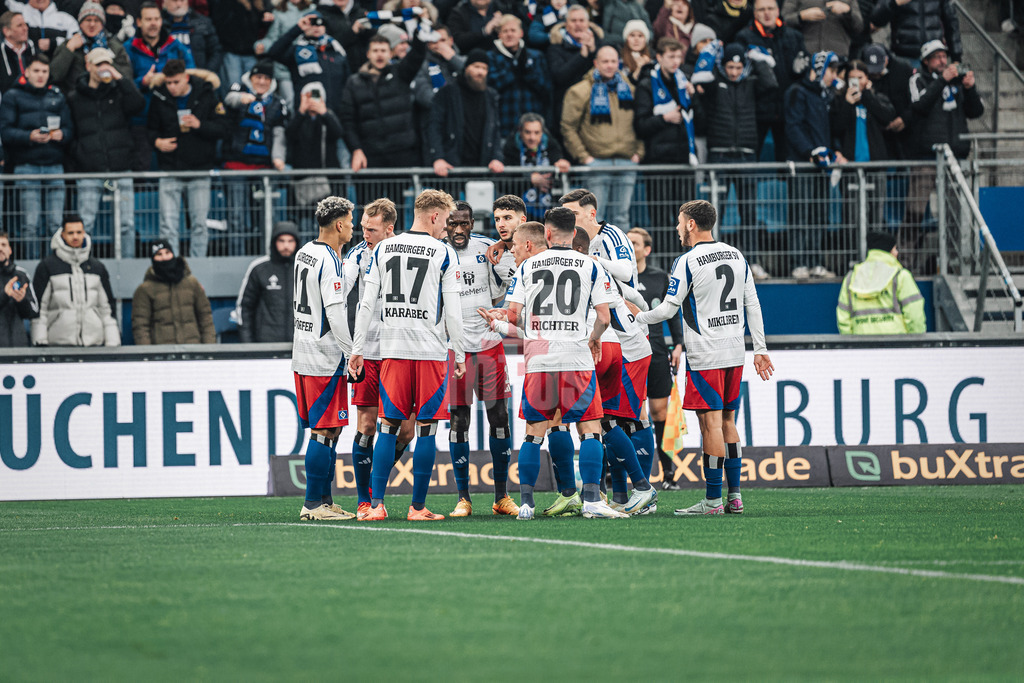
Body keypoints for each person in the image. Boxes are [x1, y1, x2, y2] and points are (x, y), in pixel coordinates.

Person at [482, 208, 629, 520]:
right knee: (589, 429)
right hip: (576, 356)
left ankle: (526, 504)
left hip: (539, 360)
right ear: (574, 233)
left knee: (534, 432)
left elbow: (512, 316)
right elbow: (604, 317)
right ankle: (591, 499)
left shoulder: (527, 266)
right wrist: (594, 338)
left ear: (546, 234)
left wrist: (498, 321)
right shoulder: (590, 265)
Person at [636, 199, 773, 516]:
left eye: (679, 221)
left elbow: (669, 309)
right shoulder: (736, 255)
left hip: (705, 354)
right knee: (728, 420)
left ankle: (712, 501)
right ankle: (735, 496)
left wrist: (637, 319)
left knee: (710, 424)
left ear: (691, 224)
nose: (677, 227)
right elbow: (752, 304)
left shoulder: (686, 260)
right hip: (735, 350)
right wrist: (761, 349)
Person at [348, 189, 465, 522]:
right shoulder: (443, 252)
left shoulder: (382, 248)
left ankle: (376, 505)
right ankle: (417, 508)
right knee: (426, 427)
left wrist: (358, 349)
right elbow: (453, 310)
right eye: (445, 220)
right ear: (433, 216)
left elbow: (366, 304)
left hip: (391, 349)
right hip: (429, 349)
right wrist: (458, 351)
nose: (447, 227)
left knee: (387, 425)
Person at [440, 201, 519, 517]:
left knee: (499, 417)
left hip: (489, 345)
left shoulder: (488, 249)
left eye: (464, 223)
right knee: (459, 419)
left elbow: (506, 286)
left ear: (472, 223)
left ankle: (502, 496)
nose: (459, 230)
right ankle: (463, 498)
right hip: (455, 348)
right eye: (453, 224)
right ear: (445, 224)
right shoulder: (436, 253)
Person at [342, 198, 416, 519]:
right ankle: (366, 499)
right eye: (362, 228)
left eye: (371, 229)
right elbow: (340, 297)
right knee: (368, 425)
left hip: (401, 350)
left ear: (389, 228)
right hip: (370, 353)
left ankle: (376, 485)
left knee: (407, 430)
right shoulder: (356, 256)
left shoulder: (408, 251)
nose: (365, 234)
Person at [290, 197, 358, 521]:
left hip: (303, 351)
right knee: (323, 430)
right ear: (340, 225)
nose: (353, 226)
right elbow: (334, 313)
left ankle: (325, 501)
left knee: (331, 431)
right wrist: (352, 352)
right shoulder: (330, 260)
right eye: (351, 220)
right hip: (324, 357)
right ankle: (312, 505)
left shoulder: (305, 251)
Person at [694, 41, 777, 277]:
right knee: (710, 213)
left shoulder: (752, 83)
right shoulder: (714, 83)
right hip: (718, 155)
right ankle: (708, 263)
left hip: (746, 155)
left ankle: (751, 262)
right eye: (729, 67)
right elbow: (699, 79)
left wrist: (757, 58)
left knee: (749, 212)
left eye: (739, 68)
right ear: (723, 65)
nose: (734, 72)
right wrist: (709, 54)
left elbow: (771, 83)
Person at [904, 39, 982, 271]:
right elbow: (919, 105)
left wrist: (970, 88)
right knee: (914, 211)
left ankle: (955, 261)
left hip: (955, 158)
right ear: (926, 61)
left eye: (943, 56)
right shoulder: (918, 79)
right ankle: (905, 261)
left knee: (956, 213)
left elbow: (975, 111)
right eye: (936, 57)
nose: (942, 60)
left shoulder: (957, 83)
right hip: (926, 157)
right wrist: (941, 81)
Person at [66, 46, 144, 258]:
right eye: (99, 64)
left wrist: (120, 78)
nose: (104, 68)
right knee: (86, 223)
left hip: (120, 167)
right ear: (88, 66)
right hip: (90, 170)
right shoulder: (75, 97)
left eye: (107, 63)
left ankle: (126, 265)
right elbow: (70, 132)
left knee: (126, 224)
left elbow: (138, 105)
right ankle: (82, 265)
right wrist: (79, 155)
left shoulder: (119, 91)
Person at [147, 58, 227, 257]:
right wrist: (157, 142)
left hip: (199, 170)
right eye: (168, 82)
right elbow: (149, 130)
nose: (172, 87)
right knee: (168, 225)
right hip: (170, 169)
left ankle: (197, 267)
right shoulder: (159, 96)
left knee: (199, 224)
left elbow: (224, 128)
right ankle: (169, 264)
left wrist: (200, 125)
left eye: (176, 82)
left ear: (186, 78)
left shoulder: (207, 94)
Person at [561, 44, 642, 231]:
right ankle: (597, 258)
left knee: (623, 215)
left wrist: (639, 152)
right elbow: (568, 127)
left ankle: (621, 259)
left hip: (626, 161)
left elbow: (639, 122)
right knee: (596, 216)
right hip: (596, 163)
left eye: (614, 61)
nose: (609, 65)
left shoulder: (629, 89)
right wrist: (584, 157)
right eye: (605, 61)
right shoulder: (580, 90)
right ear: (596, 63)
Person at [0, 53, 71, 261]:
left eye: (45, 71)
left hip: (55, 165)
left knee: (55, 225)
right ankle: (32, 266)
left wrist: (62, 134)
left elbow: (70, 129)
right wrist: (29, 136)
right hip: (26, 166)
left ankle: (55, 267)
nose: (41, 75)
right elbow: (5, 132)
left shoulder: (57, 95)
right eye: (37, 71)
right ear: (27, 72)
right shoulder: (13, 96)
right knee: (30, 224)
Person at [627, 226, 683, 487]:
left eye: (635, 243)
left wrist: (679, 344)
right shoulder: (617, 277)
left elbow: (673, 313)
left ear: (647, 249)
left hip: (658, 353)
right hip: (628, 354)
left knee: (659, 413)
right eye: (628, 243)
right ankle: (633, 474)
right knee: (632, 413)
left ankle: (668, 473)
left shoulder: (660, 277)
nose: (631, 247)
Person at [785, 49, 842, 279]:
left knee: (820, 214)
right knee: (800, 213)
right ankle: (799, 264)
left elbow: (832, 128)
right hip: (802, 165)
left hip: (822, 166)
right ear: (818, 69)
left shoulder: (826, 95)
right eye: (831, 69)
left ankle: (816, 262)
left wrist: (831, 151)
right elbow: (793, 125)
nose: (834, 75)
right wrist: (810, 151)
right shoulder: (797, 92)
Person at [223, 60, 289, 255]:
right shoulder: (239, 90)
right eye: (258, 77)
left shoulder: (277, 103)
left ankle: (269, 256)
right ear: (250, 78)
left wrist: (278, 158)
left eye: (266, 78)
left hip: (264, 168)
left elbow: (279, 133)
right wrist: (241, 98)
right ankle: (237, 255)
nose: (262, 81)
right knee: (236, 217)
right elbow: (229, 99)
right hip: (236, 166)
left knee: (268, 216)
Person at [633, 36, 697, 229]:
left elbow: (700, 121)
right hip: (658, 162)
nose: (676, 61)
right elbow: (640, 125)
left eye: (678, 56)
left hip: (683, 160)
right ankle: (663, 259)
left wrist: (693, 97)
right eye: (671, 56)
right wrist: (664, 119)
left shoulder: (684, 82)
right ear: (659, 57)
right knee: (660, 217)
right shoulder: (646, 85)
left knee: (686, 219)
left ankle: (685, 258)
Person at [734, 0, 807, 162]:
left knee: (787, 161)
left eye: (770, 8)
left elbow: (804, 71)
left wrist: (799, 70)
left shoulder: (794, 36)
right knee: (753, 159)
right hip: (757, 110)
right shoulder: (744, 37)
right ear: (754, 13)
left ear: (778, 10)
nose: (767, 13)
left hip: (788, 109)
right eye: (762, 9)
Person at [31, 214, 120, 347]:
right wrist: (40, 342)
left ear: (84, 233)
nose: (75, 237)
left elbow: (106, 309)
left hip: (94, 345)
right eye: (70, 233)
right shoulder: (47, 266)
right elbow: (40, 309)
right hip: (58, 345)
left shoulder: (97, 267)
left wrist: (113, 342)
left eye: (79, 232)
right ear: (62, 235)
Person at [125, 1, 194, 171]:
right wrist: (143, 82)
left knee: (176, 170)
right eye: (148, 19)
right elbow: (122, 85)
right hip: (141, 119)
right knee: (143, 171)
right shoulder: (128, 49)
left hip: (172, 119)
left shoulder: (177, 47)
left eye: (157, 18)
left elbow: (191, 75)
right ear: (139, 22)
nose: (153, 23)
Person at [426, 48, 504, 176]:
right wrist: (438, 157)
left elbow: (494, 130)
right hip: (451, 166)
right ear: (466, 67)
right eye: (476, 66)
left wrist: (496, 157)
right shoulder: (447, 93)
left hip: (483, 166)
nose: (480, 72)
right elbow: (434, 127)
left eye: (484, 68)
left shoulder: (491, 96)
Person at [836, 229, 925, 334]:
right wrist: (916, 342)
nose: (897, 253)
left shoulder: (851, 277)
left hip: (860, 345)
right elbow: (914, 314)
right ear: (889, 251)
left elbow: (843, 317)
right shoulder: (900, 276)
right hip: (897, 345)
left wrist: (851, 343)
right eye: (895, 249)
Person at [131, 239, 215, 344]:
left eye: (167, 253)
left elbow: (205, 317)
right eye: (159, 254)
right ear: (153, 259)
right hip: (161, 355)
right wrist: (148, 355)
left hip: (194, 350)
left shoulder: (192, 283)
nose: (164, 257)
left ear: (173, 254)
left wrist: (209, 348)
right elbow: (140, 326)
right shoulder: (144, 290)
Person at [266, 10, 349, 114]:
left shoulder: (336, 50)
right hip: (306, 112)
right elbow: (273, 52)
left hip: (335, 111)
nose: (316, 26)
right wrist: (297, 29)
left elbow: (346, 80)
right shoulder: (296, 50)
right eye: (311, 23)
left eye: (320, 23)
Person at [486, 14, 549, 139]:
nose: (509, 34)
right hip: (503, 122)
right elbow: (491, 86)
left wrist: (527, 72)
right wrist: (513, 70)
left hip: (533, 125)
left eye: (513, 30)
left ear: (521, 33)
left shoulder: (536, 56)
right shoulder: (490, 57)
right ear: (499, 35)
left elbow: (545, 87)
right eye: (505, 31)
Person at [559, 187, 638, 287]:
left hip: (622, 300)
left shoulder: (612, 235)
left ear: (592, 214)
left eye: (574, 214)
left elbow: (626, 273)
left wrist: (596, 260)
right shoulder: (567, 240)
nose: (568, 219)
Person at [234, 221, 298, 343]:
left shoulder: (305, 268)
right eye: (281, 241)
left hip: (299, 347)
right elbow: (244, 308)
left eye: (290, 241)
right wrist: (249, 345)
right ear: (274, 242)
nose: (286, 245)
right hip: (266, 344)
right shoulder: (259, 268)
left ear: (297, 243)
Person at [49, 2, 134, 93]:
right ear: (80, 23)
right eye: (88, 20)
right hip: (75, 99)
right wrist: (69, 49)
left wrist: (104, 61)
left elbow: (127, 77)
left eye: (96, 20)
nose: (92, 24)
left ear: (102, 24)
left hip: (109, 99)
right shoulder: (69, 44)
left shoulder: (114, 46)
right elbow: (54, 76)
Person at [501, 112, 571, 221]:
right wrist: (530, 180)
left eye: (536, 132)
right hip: (518, 212)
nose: (532, 137)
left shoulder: (551, 145)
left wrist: (561, 163)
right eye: (528, 132)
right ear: (520, 131)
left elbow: (559, 163)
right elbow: (504, 183)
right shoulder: (510, 147)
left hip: (548, 211)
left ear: (542, 132)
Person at [546, 4, 603, 134]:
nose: (578, 24)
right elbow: (560, 76)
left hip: (596, 107)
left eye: (582, 20)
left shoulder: (600, 45)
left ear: (588, 23)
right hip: (567, 108)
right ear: (566, 25)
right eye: (573, 21)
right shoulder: (556, 48)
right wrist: (582, 55)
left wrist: (593, 51)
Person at [871, 0, 961, 66]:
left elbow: (951, 23)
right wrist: (894, 3)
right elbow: (877, 20)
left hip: (933, 56)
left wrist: (956, 57)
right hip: (904, 56)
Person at [782, 0, 863, 58]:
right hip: (805, 57)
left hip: (837, 58)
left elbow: (858, 27)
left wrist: (848, 11)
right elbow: (782, 20)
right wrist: (802, 16)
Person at [0, 231, 39, 346]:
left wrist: (22, 301)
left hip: (18, 345)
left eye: (3, 245)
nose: (0, 249)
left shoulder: (21, 275)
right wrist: (4, 295)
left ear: (10, 250)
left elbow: (34, 311)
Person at [161, 0, 221, 73]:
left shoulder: (203, 22)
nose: (179, 4)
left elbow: (216, 51)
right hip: (167, 77)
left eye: (182, 0)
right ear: (164, 2)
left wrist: (207, 73)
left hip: (197, 76)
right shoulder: (159, 25)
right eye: (174, 1)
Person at [6, 0, 79, 57]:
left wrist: (54, 43)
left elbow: (78, 40)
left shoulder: (66, 18)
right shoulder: (18, 14)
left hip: (58, 67)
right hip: (26, 66)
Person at [0, 11, 36, 93]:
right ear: (6, 31)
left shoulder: (35, 50)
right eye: (20, 25)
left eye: (25, 24)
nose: (25, 28)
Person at [620, 18, 651, 85]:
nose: (636, 39)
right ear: (627, 39)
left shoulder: (652, 59)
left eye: (640, 36)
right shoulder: (620, 60)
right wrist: (639, 68)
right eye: (632, 35)